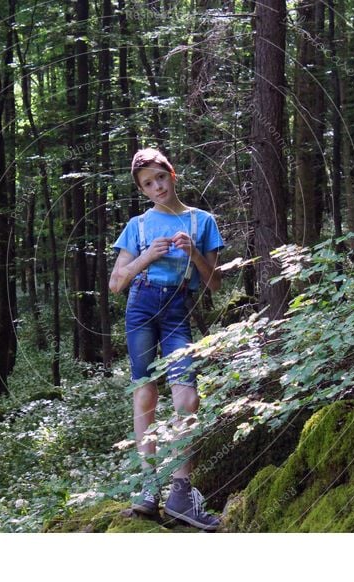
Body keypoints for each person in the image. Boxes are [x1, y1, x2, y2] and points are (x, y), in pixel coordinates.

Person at [109, 147, 224, 531]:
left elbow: (215, 283)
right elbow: (115, 284)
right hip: (140, 306)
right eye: (147, 183)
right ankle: (148, 487)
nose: (156, 186)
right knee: (145, 391)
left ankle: (180, 491)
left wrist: (194, 254)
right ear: (141, 190)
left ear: (172, 174)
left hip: (178, 309)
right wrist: (144, 258)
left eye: (160, 177)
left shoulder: (202, 221)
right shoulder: (137, 226)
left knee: (187, 395)